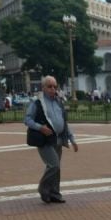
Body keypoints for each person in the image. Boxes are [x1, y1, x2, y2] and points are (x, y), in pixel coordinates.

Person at [24, 75, 78, 204]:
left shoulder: (59, 102)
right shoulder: (37, 102)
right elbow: (27, 119)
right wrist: (40, 127)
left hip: (58, 139)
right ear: (43, 88)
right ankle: (43, 189)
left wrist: (72, 139)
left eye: (55, 86)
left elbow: (64, 123)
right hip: (45, 139)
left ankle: (54, 194)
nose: (53, 89)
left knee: (57, 168)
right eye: (49, 86)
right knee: (54, 165)